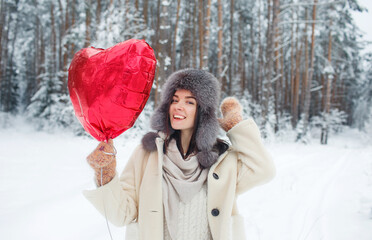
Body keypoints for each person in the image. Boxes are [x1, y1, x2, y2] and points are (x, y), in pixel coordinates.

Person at [83, 68, 275, 240]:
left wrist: (237, 126)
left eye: (189, 102)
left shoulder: (222, 159)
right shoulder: (148, 153)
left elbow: (264, 170)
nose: (178, 106)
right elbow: (122, 214)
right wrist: (105, 173)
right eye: (174, 100)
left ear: (203, 111)